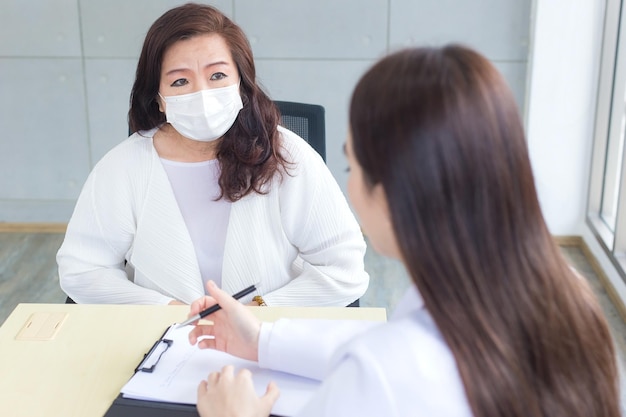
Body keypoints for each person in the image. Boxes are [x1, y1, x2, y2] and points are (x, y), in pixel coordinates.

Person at [187, 45, 620, 417]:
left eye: (351, 165)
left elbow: (384, 366)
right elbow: (388, 346)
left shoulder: (380, 375)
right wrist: (263, 340)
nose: (349, 185)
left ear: (395, 195)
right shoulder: (568, 299)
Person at [56, 3, 369, 306]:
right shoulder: (122, 166)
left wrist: (259, 308)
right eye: (180, 81)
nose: (201, 94)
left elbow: (343, 269)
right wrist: (165, 308)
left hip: (266, 334)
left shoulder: (288, 154)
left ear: (241, 83)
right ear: (159, 99)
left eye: (217, 75)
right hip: (162, 335)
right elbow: (83, 270)